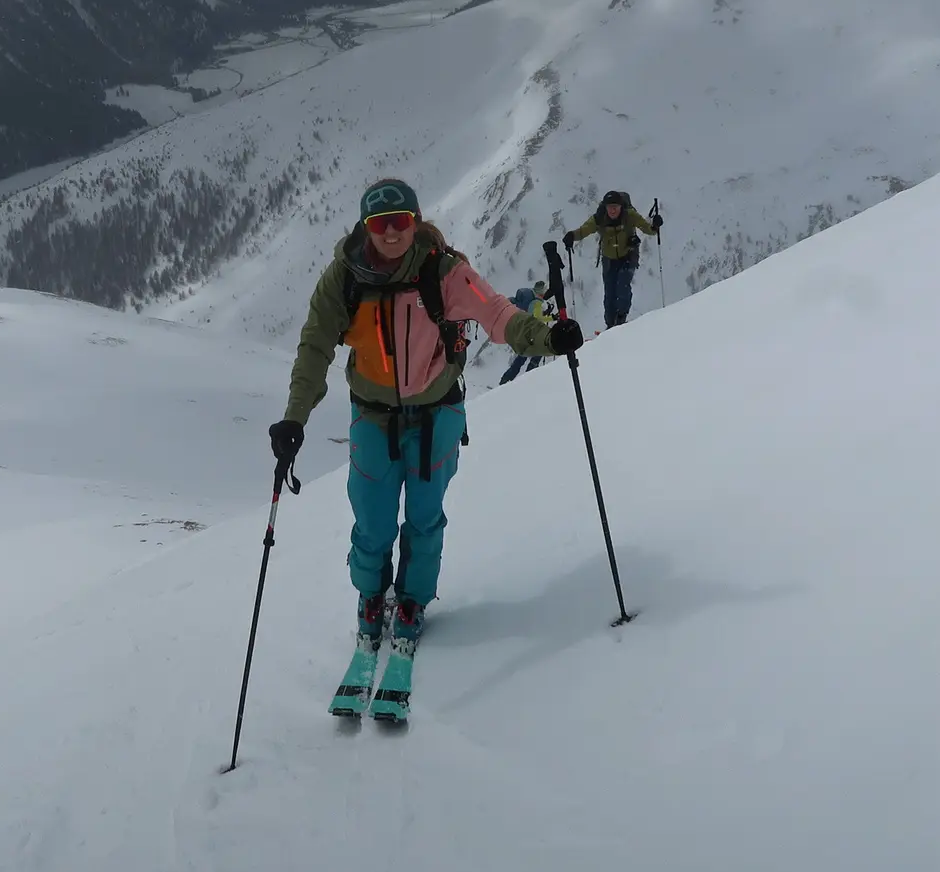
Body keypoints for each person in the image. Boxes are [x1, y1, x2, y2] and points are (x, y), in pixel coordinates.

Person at [268, 179, 583, 643]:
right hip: (373, 416)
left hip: (437, 414)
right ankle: (372, 595)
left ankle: (413, 600)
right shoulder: (345, 278)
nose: (391, 232)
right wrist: (295, 416)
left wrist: (548, 338)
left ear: (415, 222)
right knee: (372, 519)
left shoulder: (444, 272)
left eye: (401, 221)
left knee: (425, 515)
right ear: (365, 226)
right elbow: (315, 347)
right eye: (380, 223)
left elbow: (497, 315)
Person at [564, 189, 658, 328]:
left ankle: (620, 320)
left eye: (615, 207)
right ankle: (610, 324)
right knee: (609, 294)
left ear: (621, 206)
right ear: (605, 207)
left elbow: (648, 229)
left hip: (628, 256)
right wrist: (572, 236)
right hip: (609, 260)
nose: (612, 210)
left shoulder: (629, 215)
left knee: (623, 287)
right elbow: (585, 229)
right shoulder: (599, 218)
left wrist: (655, 225)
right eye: (610, 207)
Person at [499, 281, 555, 384]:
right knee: (538, 353)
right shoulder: (537, 302)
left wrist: (545, 313)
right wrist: (552, 317)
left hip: (523, 332)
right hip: (531, 334)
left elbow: (532, 315)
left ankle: (505, 380)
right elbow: (537, 318)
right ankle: (529, 379)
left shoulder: (530, 300)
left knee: (521, 358)